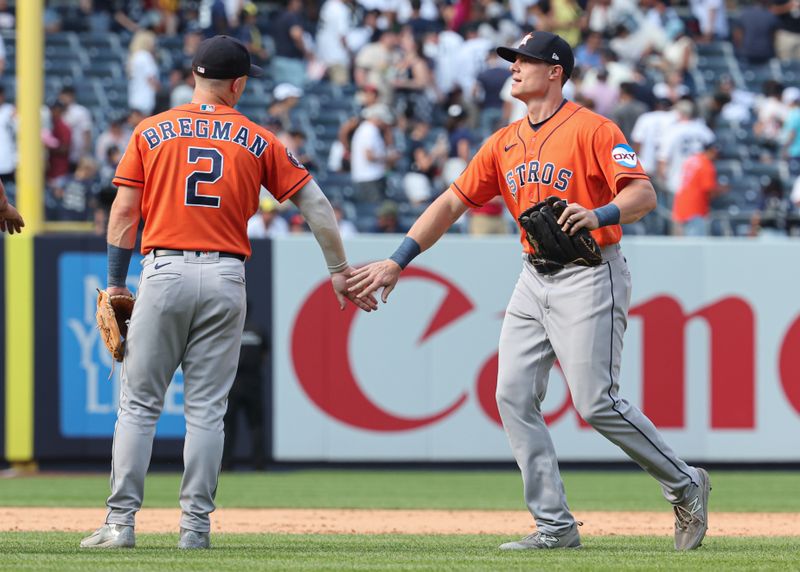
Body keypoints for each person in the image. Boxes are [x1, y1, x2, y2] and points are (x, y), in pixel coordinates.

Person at [347, 31, 710, 552]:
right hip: (533, 275)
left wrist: (599, 212)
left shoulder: (593, 129)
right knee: (512, 395)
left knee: (595, 401)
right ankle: (555, 526)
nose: (515, 68)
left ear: (556, 71)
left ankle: (684, 482)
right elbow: (451, 204)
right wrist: (397, 260)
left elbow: (644, 193)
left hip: (591, 271)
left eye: (527, 60)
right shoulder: (503, 141)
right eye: (513, 60)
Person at [80, 35, 377, 552]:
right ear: (237, 85)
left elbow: (125, 213)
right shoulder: (258, 138)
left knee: (139, 405)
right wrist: (338, 269)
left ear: (195, 77)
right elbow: (318, 206)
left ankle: (119, 525)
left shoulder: (151, 130)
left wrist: (115, 281)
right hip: (224, 278)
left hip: (165, 269)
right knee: (207, 411)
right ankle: (195, 529)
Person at [222, 302, 269, 471]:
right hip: (253, 382)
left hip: (232, 381)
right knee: (256, 425)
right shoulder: (258, 331)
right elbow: (265, 355)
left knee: (228, 426)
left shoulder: (229, 330)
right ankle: (259, 464)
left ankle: (226, 464)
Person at [671, 142, 727, 236]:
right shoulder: (706, 165)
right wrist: (722, 190)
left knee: (683, 245)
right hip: (695, 210)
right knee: (695, 246)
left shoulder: (692, 159)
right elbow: (709, 191)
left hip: (680, 207)